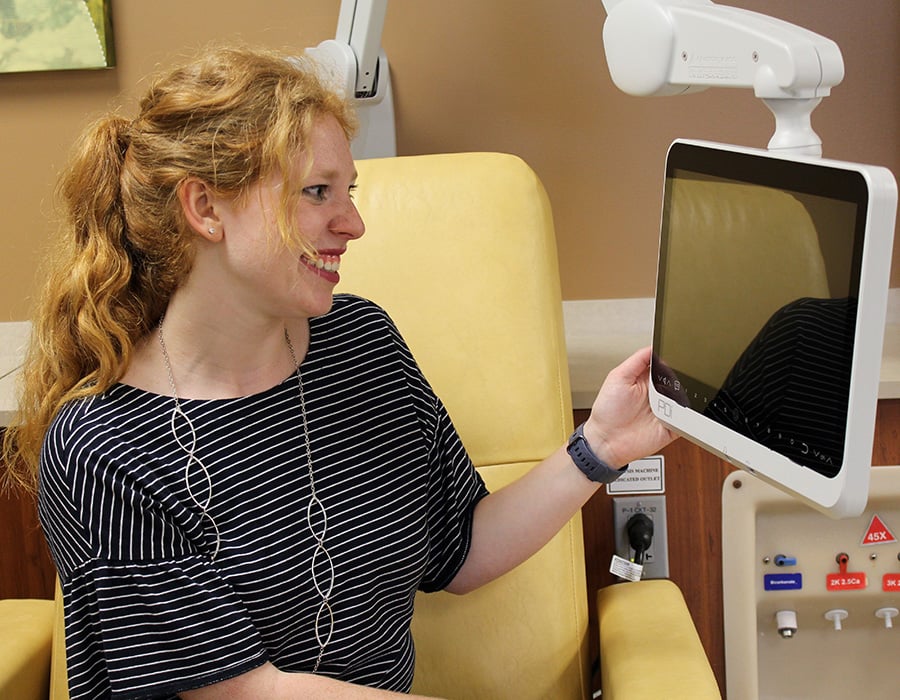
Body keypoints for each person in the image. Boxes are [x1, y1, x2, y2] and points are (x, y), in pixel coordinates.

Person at [2, 46, 674, 699]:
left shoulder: (361, 346)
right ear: (204, 208)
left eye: (348, 190)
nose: (351, 223)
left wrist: (602, 448)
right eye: (317, 192)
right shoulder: (105, 448)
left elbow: (460, 549)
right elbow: (244, 692)